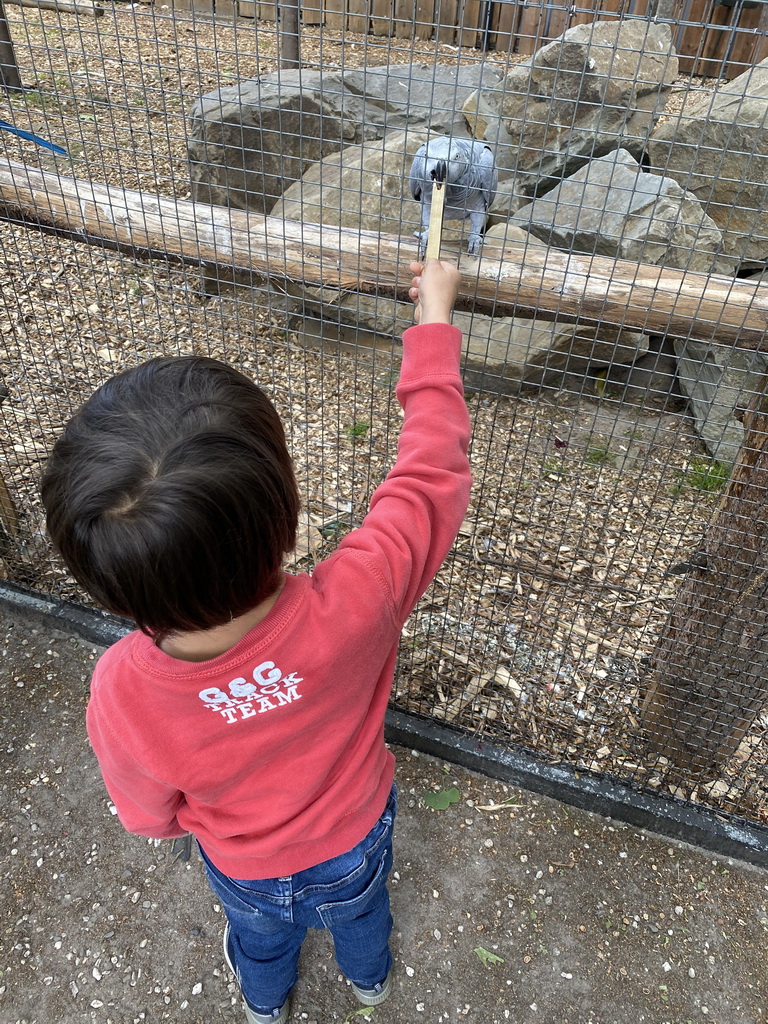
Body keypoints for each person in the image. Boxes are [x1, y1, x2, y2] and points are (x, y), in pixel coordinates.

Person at [41, 258, 471, 1024]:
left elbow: (148, 814)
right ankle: (371, 983)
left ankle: (266, 1005)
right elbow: (431, 475)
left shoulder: (122, 690)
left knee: (261, 938)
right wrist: (432, 322)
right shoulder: (361, 597)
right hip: (356, 837)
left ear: (107, 584)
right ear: (284, 508)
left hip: (242, 863)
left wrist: (204, 817)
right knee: (363, 916)